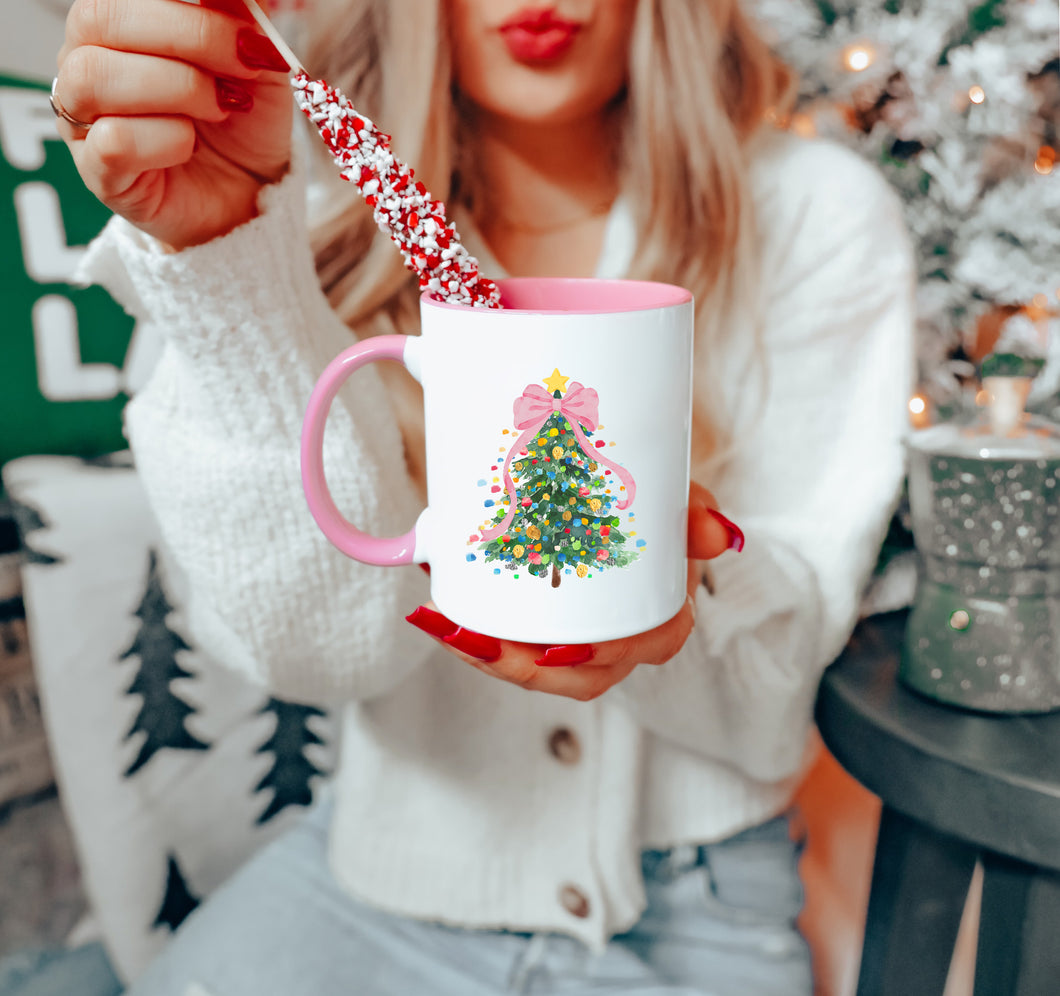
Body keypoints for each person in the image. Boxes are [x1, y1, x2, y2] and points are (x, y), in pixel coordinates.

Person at [52, 0, 915, 993]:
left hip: (697, 905)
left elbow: (776, 691)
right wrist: (229, 272)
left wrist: (680, 601)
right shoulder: (270, 206)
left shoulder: (815, 213)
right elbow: (310, 653)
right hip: (370, 882)